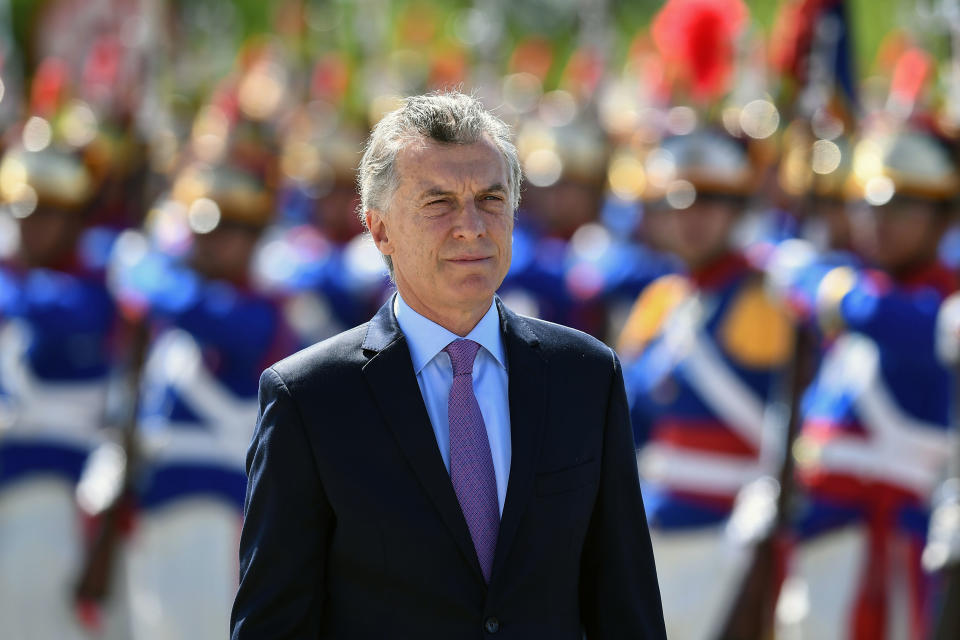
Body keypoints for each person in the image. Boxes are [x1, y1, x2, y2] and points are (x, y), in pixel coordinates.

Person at [230, 91, 666, 639]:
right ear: (380, 229)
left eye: (490, 198)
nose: (472, 226)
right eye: (438, 202)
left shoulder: (585, 375)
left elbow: (626, 609)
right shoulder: (310, 398)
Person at [773, 117, 959, 640]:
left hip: (895, 548)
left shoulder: (942, 303)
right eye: (867, 204)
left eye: (901, 206)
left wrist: (818, 283)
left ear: (943, 219)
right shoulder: (851, 284)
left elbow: (888, 319)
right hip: (820, 537)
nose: (879, 220)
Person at [616, 125, 794, 640]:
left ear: (738, 208)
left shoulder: (769, 296)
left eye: (709, 203)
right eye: (676, 204)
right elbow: (629, 428)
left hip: (731, 543)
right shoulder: (659, 302)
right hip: (653, 540)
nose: (690, 219)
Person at [110, 161, 292, 640]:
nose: (211, 243)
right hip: (153, 512)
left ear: (254, 238)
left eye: (229, 230)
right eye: (202, 230)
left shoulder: (261, 313)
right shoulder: (176, 307)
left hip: (218, 521)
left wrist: (146, 265)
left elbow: (179, 300)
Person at [0, 140, 119, 639]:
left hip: (51, 503)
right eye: (23, 212)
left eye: (50, 214)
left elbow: (44, 305)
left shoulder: (92, 286)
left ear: (75, 220)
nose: (33, 226)